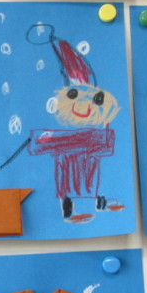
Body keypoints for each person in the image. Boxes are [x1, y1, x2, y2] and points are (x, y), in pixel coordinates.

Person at [28, 33, 121, 220]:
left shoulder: (97, 134)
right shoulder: (62, 133)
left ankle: (94, 201)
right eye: (74, 96)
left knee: (89, 176)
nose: (84, 104)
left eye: (96, 99)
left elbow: (107, 145)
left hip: (88, 159)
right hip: (67, 161)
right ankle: (70, 207)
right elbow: (39, 144)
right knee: (68, 179)